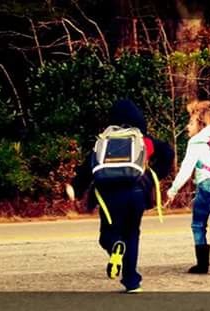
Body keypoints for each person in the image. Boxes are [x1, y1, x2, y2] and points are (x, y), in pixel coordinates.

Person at [66, 99, 174, 293]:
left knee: (106, 235)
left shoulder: (104, 141)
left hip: (108, 195)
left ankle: (114, 244)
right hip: (136, 193)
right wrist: (152, 176)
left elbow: (87, 168)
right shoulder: (144, 141)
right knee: (132, 233)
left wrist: (76, 188)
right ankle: (132, 281)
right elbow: (167, 153)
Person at [166, 106, 210, 274]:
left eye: (190, 123)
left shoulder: (196, 142)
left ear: (201, 125)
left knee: (198, 224)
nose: (187, 127)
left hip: (206, 185)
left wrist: (173, 190)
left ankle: (202, 265)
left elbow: (186, 169)